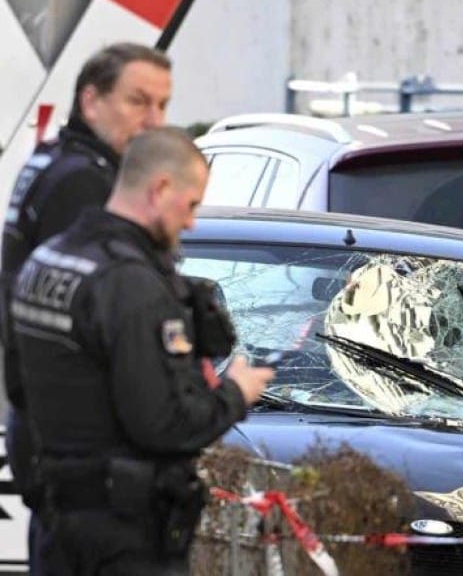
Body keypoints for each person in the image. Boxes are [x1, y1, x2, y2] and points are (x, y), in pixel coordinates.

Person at [11, 127, 274, 573]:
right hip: (125, 533)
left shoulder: (48, 259)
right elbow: (165, 425)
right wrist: (236, 392)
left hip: (57, 520)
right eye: (190, 205)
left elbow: (22, 382)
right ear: (160, 189)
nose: (190, 222)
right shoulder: (129, 286)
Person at [0, 42, 172, 574]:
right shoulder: (85, 182)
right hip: (74, 442)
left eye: (163, 105)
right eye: (138, 102)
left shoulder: (57, 159)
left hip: (47, 429)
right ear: (90, 100)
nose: (154, 121)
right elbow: (85, 320)